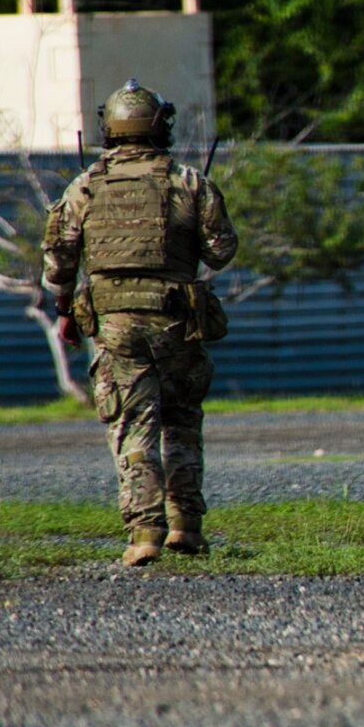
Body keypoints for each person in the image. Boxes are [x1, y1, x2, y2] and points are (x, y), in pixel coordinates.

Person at [41, 80, 237, 566]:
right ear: (159, 126)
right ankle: (186, 526)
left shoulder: (85, 185)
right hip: (176, 321)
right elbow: (222, 251)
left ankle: (145, 533)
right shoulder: (189, 181)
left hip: (115, 324)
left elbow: (59, 261)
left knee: (133, 425)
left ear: (110, 128)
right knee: (181, 419)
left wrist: (65, 310)